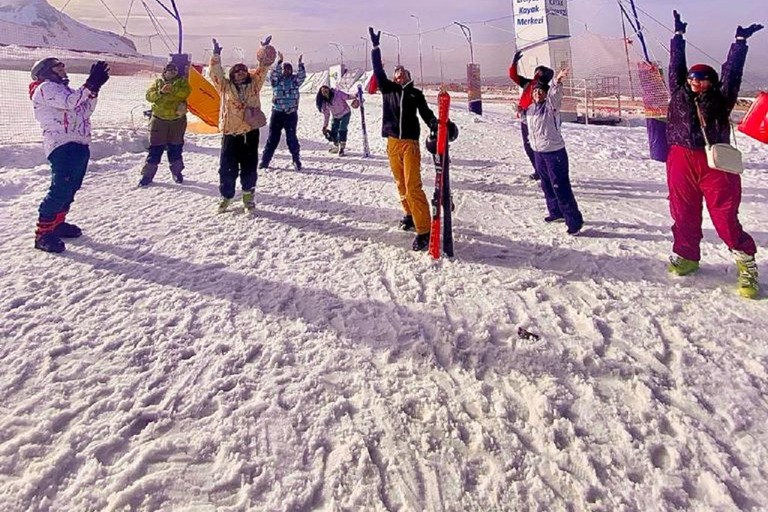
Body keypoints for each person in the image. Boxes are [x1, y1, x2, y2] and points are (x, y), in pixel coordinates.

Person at [665, 11, 762, 299]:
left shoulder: (722, 98)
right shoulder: (679, 92)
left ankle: (746, 263)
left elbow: (732, 73)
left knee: (724, 217)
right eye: (693, 77)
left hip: (714, 161)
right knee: (682, 212)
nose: (696, 81)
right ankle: (687, 255)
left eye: (703, 78)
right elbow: (675, 67)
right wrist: (678, 37)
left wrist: (740, 43)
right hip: (680, 158)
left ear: (712, 82)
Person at [369, 26, 441, 251]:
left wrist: (434, 123)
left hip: (410, 143)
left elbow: (426, 113)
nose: (400, 79)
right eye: (397, 76)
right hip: (392, 143)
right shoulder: (388, 89)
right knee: (400, 183)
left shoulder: (415, 94)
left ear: (409, 78)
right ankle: (409, 214)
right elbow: (377, 73)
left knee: (412, 186)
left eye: (403, 76)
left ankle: (424, 229)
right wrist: (376, 48)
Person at [28, 58, 109, 253]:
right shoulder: (46, 88)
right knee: (61, 187)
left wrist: (94, 89)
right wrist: (89, 83)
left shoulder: (63, 89)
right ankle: (43, 233)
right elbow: (69, 103)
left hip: (79, 141)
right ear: (46, 71)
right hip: (61, 143)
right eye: (58, 67)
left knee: (72, 186)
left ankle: (57, 223)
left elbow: (84, 110)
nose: (63, 70)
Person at [209, 37, 271, 213]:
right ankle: (226, 197)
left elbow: (263, 70)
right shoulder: (225, 87)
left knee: (249, 167)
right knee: (226, 168)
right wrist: (216, 55)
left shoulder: (254, 86)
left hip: (250, 134)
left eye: (243, 71)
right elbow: (215, 73)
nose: (240, 74)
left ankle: (248, 198)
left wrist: (264, 50)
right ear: (232, 75)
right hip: (230, 134)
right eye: (236, 72)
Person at [524, 67, 584, 236]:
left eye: (541, 91)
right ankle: (555, 212)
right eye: (535, 92)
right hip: (539, 152)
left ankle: (574, 221)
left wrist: (557, 81)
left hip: (554, 152)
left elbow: (555, 96)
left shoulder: (550, 107)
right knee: (546, 184)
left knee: (560, 186)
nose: (538, 94)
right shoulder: (530, 110)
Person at [139, 62, 191, 186]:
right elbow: (149, 96)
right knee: (155, 148)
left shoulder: (182, 82)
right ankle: (147, 175)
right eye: (170, 69)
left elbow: (186, 93)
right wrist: (161, 92)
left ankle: (177, 173)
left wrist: (172, 90)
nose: (172, 72)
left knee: (175, 148)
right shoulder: (157, 83)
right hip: (159, 120)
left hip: (177, 121)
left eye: (175, 69)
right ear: (164, 71)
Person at [509, 51, 554, 181]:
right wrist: (514, 63)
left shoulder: (546, 87)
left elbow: (551, 74)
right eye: (536, 71)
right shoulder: (527, 83)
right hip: (525, 119)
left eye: (540, 71)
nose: (536, 73)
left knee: (540, 147)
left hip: (539, 120)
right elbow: (513, 76)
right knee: (529, 147)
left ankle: (546, 172)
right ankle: (539, 170)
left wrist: (544, 75)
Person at [259, 51, 306, 170]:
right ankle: (265, 161)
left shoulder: (295, 82)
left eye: (289, 69)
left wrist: (300, 64)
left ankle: (296, 159)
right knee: (273, 138)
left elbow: (302, 76)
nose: (287, 71)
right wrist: (279, 62)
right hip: (278, 113)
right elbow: (273, 74)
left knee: (291, 138)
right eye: (285, 69)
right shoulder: (276, 82)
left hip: (291, 113)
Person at [316, 85, 358, 156]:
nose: (325, 92)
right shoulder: (325, 103)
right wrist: (325, 126)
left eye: (326, 90)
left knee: (342, 129)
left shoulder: (337, 93)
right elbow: (327, 115)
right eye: (323, 91)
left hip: (345, 113)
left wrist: (356, 95)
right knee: (334, 131)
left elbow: (347, 96)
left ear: (329, 89)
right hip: (336, 116)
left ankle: (342, 147)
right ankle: (336, 145)